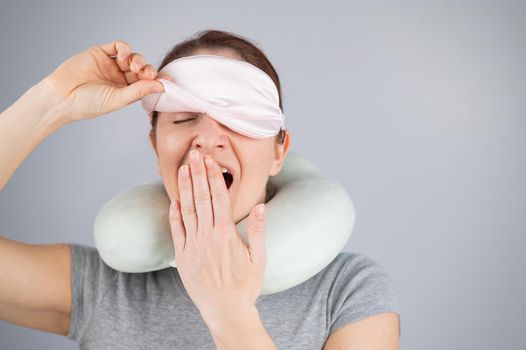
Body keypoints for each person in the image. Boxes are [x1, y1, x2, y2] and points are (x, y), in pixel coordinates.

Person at [0, 30, 401, 349]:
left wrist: (230, 314)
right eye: (184, 118)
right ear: (157, 148)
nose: (207, 138)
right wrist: (50, 103)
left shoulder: (348, 291)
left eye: (238, 119)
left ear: (280, 151)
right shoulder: (106, 287)